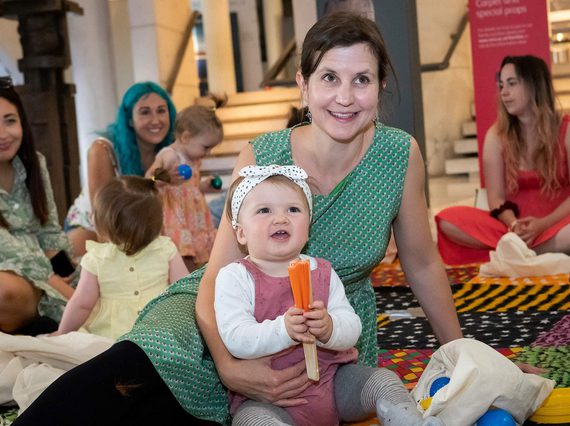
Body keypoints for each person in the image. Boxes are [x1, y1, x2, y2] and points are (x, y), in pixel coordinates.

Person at [14, 12, 463, 425]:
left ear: (380, 85)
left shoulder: (398, 154)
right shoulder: (263, 153)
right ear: (303, 85)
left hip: (323, 336)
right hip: (223, 306)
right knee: (130, 372)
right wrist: (230, 367)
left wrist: (462, 354)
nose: (345, 97)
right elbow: (219, 271)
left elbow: (421, 264)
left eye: (361, 79)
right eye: (329, 77)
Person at [217, 164, 441, 426]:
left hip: (333, 382)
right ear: (241, 232)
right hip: (270, 401)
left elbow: (351, 327)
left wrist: (329, 328)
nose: (280, 218)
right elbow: (235, 338)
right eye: (264, 210)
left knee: (383, 380)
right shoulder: (235, 277)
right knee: (251, 421)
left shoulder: (321, 271)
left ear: (308, 226)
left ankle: (410, 421)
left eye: (293, 209)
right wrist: (283, 330)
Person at [436, 55, 570, 265]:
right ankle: (525, 250)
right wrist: (514, 224)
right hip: (510, 228)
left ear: (534, 84)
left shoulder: (566, 129)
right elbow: (496, 198)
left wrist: (542, 225)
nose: (504, 92)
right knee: (447, 219)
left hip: (559, 223)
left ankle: (514, 252)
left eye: (512, 83)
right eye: (501, 85)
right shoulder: (495, 136)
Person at [54, 175, 188, 340]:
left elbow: (82, 303)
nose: (91, 216)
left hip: (112, 335)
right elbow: (183, 290)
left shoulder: (96, 258)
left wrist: (61, 333)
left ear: (110, 225)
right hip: (159, 331)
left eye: (95, 213)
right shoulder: (166, 248)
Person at [65, 81, 177, 257]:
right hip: (94, 226)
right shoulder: (102, 149)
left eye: (161, 110)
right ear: (130, 120)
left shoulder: (169, 150)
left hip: (141, 228)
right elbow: (102, 215)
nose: (156, 120)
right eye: (145, 112)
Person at [0, 77, 74, 335]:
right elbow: (14, 254)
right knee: (4, 291)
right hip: (10, 274)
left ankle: (45, 318)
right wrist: (70, 295)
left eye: (9, 120)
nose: (2, 134)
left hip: (42, 272)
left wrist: (71, 277)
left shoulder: (35, 163)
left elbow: (50, 233)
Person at [146, 103, 224, 271]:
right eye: (206, 147)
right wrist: (165, 177)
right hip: (177, 219)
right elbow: (148, 179)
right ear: (186, 137)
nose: (208, 152)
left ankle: (196, 284)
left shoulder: (194, 159)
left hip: (194, 219)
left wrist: (203, 186)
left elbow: (190, 188)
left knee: (200, 258)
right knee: (182, 256)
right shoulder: (169, 156)